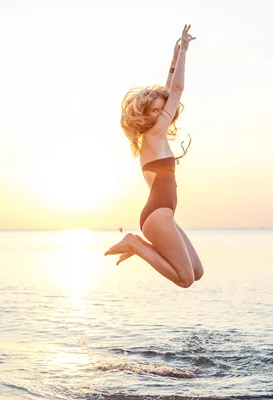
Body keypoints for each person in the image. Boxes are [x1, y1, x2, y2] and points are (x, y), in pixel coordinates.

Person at [104, 25, 204, 288]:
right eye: (155, 111)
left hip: (164, 215)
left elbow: (170, 89)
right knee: (185, 280)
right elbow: (178, 89)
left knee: (197, 271)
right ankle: (134, 243)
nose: (161, 113)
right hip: (157, 216)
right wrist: (183, 52)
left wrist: (173, 59)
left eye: (162, 109)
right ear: (145, 116)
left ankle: (139, 246)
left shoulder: (154, 136)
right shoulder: (155, 133)